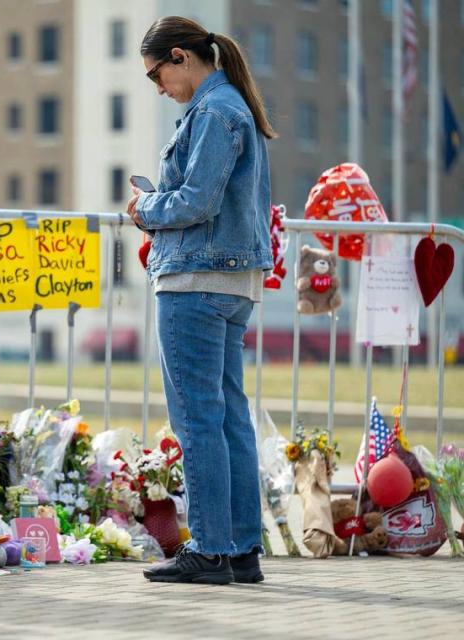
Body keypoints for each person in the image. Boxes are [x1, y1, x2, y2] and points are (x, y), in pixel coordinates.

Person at [127, 17, 276, 585]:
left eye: (157, 74)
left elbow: (197, 200)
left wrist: (146, 209)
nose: (159, 87)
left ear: (181, 57)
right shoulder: (234, 106)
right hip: (231, 284)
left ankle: (211, 550)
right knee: (229, 417)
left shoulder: (214, 112)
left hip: (196, 281)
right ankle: (240, 550)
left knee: (198, 420)